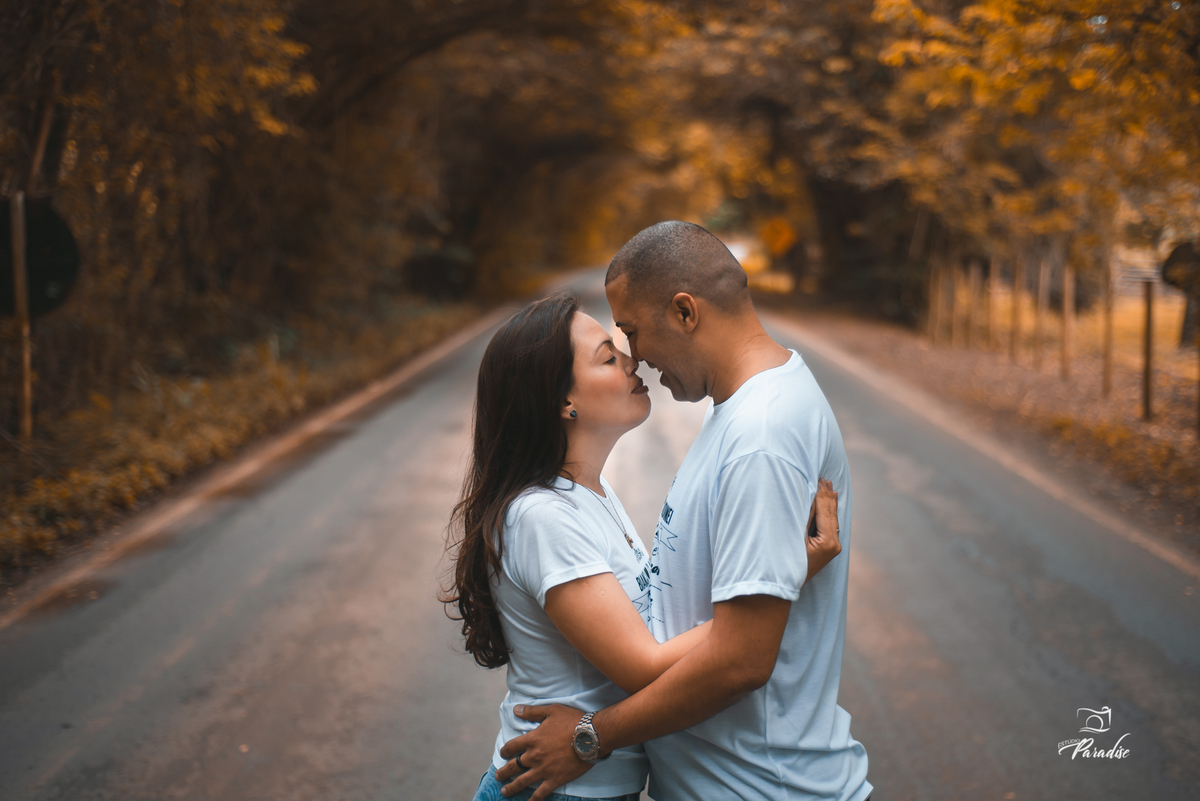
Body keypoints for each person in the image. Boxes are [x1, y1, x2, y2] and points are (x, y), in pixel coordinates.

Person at [494, 221, 872, 801]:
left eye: (632, 332)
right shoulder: (735, 415)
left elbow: (741, 660)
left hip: (764, 789)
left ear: (685, 312)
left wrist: (591, 736)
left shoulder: (761, 435)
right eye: (616, 346)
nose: (636, 357)